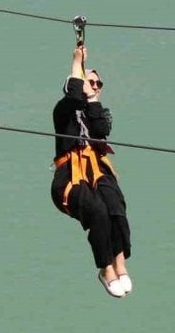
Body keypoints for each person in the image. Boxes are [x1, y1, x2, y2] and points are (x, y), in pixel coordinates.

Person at [50, 44, 133, 298]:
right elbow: (74, 96)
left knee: (115, 206)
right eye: (90, 81)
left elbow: (101, 131)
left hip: (97, 170)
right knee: (97, 211)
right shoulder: (62, 112)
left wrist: (93, 99)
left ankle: (120, 264)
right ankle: (106, 269)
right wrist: (77, 63)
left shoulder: (96, 113)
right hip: (70, 177)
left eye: (98, 83)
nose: (94, 86)